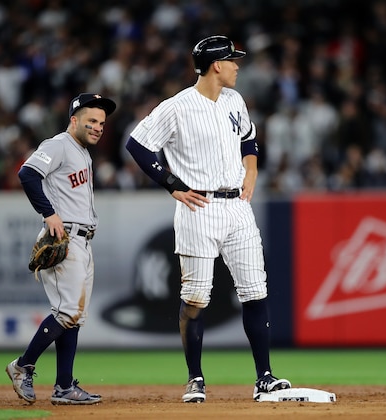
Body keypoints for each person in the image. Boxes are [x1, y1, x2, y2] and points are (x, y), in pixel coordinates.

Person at [125, 35, 291, 403]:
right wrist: (171, 184)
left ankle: (264, 376)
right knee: (196, 297)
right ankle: (195, 378)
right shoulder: (177, 107)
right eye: (233, 60)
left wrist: (251, 170)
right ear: (216, 64)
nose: (237, 66)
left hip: (237, 207)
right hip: (197, 209)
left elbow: (249, 140)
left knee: (255, 291)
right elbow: (137, 144)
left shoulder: (235, 100)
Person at [5, 93, 116, 405]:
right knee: (68, 311)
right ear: (74, 120)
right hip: (64, 236)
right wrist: (48, 213)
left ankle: (64, 387)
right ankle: (22, 366)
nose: (97, 127)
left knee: (74, 316)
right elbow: (27, 174)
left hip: (83, 238)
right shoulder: (58, 144)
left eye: (102, 123)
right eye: (91, 120)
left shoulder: (82, 152)